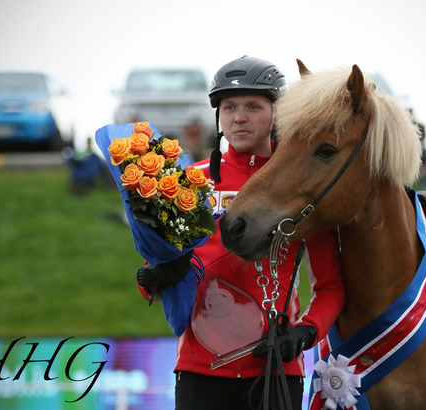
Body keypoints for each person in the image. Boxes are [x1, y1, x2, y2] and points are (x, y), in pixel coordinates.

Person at [135, 56, 345, 410]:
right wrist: (152, 277)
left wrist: (305, 332)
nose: (239, 117)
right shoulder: (189, 181)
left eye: (253, 106)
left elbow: (332, 286)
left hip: (276, 369)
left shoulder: (303, 187)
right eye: (229, 107)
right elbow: (155, 268)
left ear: (277, 114)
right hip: (199, 371)